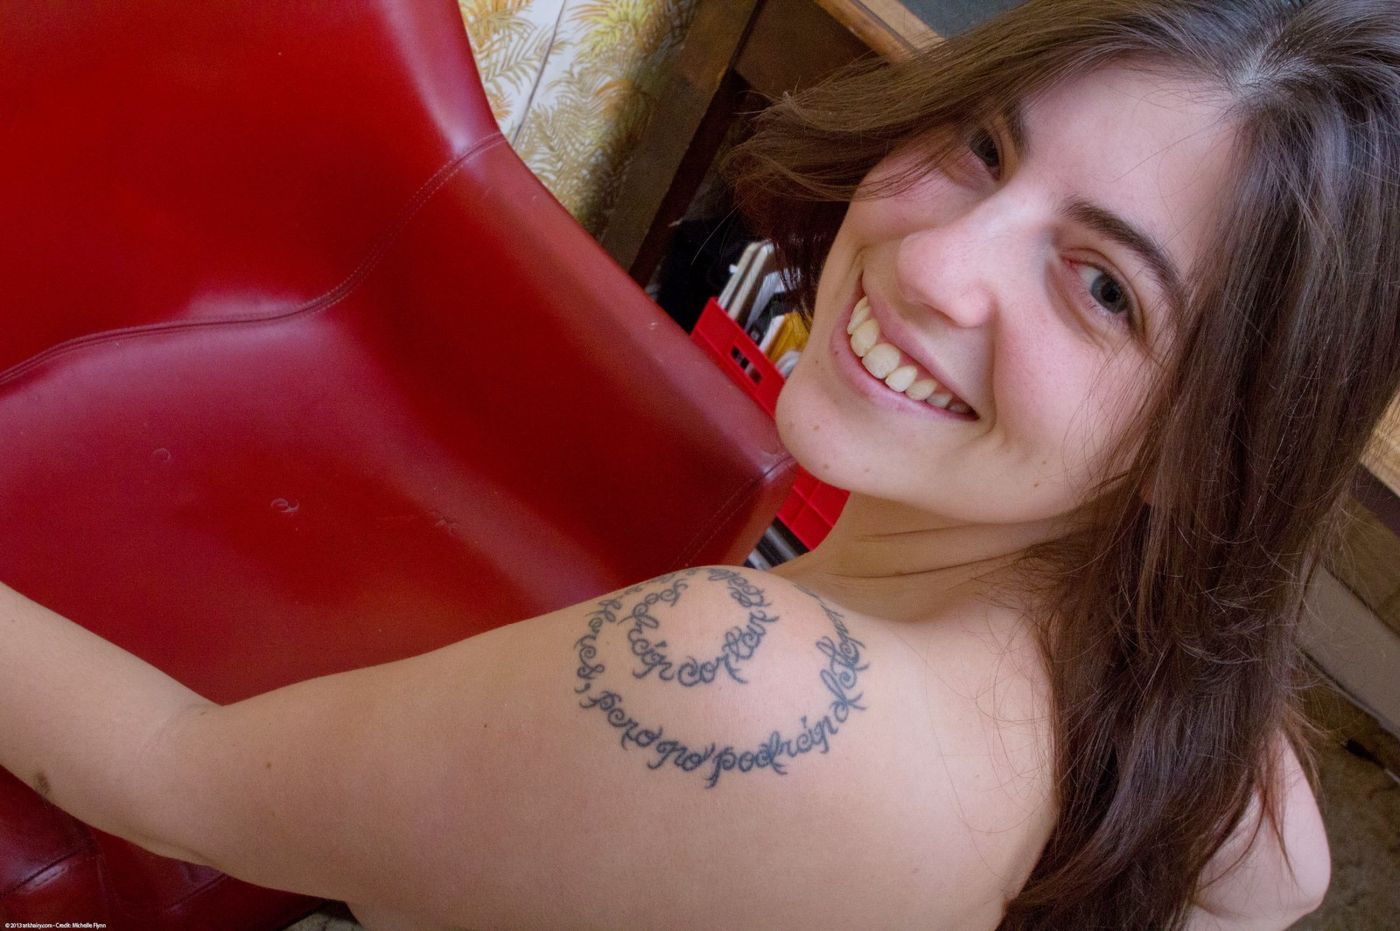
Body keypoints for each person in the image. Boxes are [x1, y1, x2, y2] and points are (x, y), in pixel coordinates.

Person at [2, 0, 1394, 926]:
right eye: (985, 147)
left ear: (1206, 452)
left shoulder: (748, 690)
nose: (935, 260)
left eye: (1102, 289)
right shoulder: (1231, 759)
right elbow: (1284, 881)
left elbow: (169, 781)